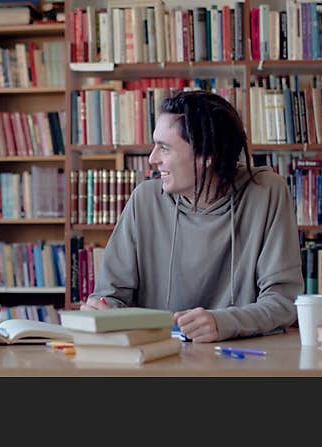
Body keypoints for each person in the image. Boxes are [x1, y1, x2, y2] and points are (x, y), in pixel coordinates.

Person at [82, 90, 302, 342]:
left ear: (206, 154)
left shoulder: (266, 192)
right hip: (156, 358)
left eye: (164, 148)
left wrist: (223, 322)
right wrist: (104, 310)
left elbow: (284, 303)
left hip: (240, 360)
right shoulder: (144, 200)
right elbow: (111, 296)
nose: (153, 159)